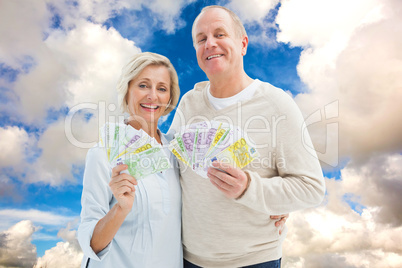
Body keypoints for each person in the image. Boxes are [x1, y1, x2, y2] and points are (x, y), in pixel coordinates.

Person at [169, 5, 326, 268]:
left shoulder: (277, 105)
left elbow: (310, 188)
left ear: (243, 44)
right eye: (201, 39)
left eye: (220, 34)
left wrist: (250, 189)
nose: (210, 44)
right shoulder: (189, 103)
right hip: (189, 259)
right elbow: (170, 165)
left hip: (254, 261)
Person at [77, 52, 182, 267]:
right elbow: (91, 244)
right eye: (143, 85)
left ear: (169, 99)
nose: (153, 96)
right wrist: (120, 209)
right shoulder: (103, 153)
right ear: (126, 92)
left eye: (162, 88)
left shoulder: (179, 152)